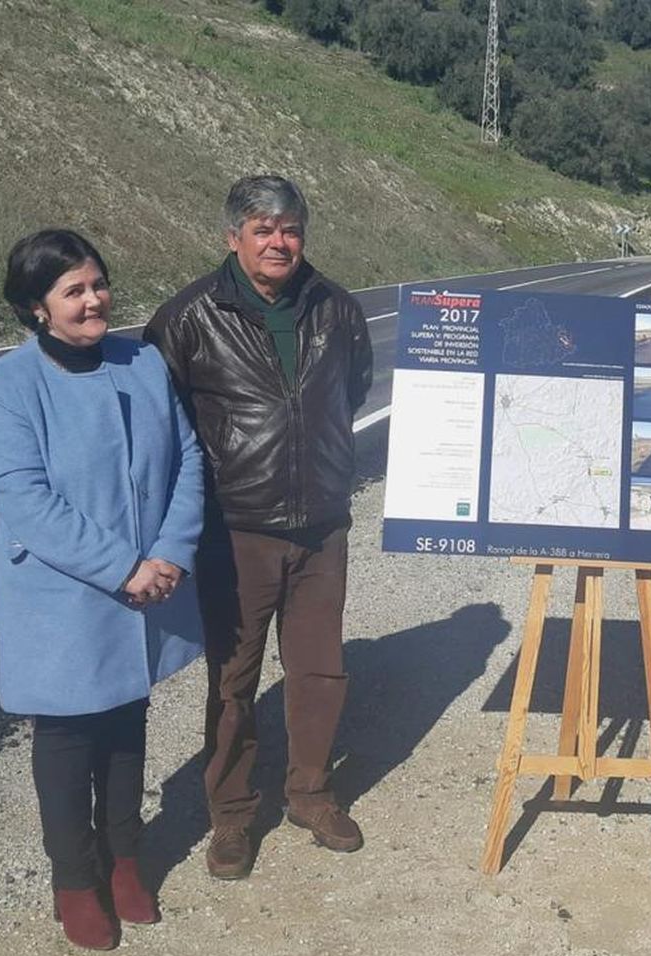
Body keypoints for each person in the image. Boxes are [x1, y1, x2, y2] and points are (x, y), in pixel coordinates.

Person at [0, 229, 204, 951]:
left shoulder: (142, 362)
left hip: (145, 581)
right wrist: (124, 566)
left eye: (98, 283)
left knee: (127, 726)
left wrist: (169, 551)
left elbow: (189, 457)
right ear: (36, 308)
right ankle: (75, 880)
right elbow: (23, 495)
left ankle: (125, 860)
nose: (94, 299)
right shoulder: (8, 385)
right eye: (73, 290)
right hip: (63, 593)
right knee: (69, 736)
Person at [146, 175, 374, 880]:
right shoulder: (189, 317)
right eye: (263, 229)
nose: (280, 242)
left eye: (291, 228)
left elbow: (353, 387)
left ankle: (309, 791)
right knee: (232, 680)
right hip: (236, 528)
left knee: (319, 669)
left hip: (321, 525)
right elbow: (162, 420)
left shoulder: (336, 307)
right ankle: (233, 815)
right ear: (233, 237)